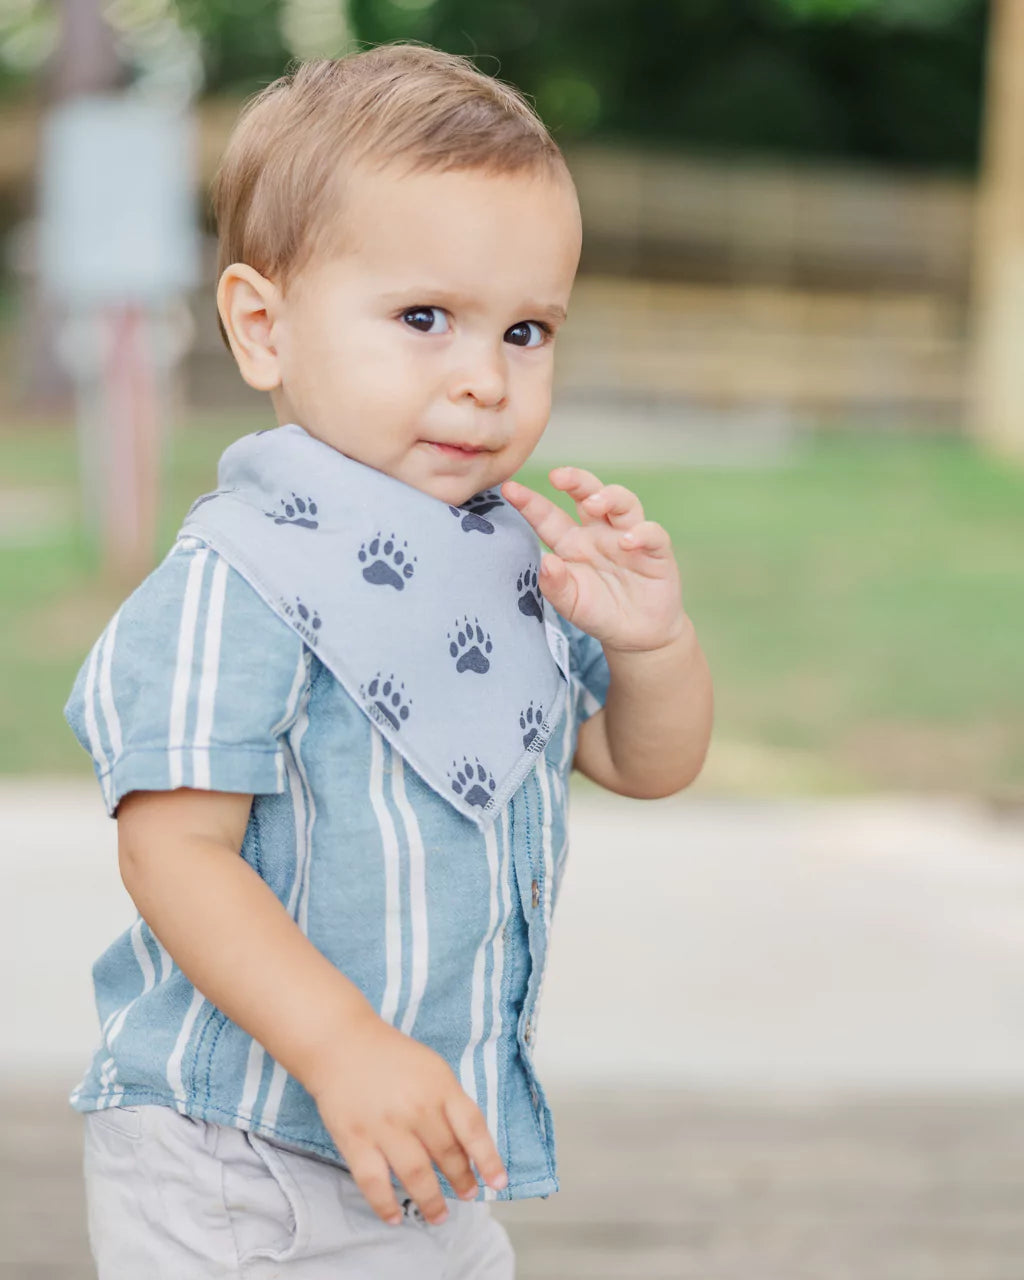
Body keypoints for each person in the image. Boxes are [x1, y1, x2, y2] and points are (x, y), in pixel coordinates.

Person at [63, 40, 714, 1279]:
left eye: (526, 330)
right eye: (425, 319)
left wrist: (654, 643)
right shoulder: (239, 578)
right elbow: (171, 845)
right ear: (263, 325)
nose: (483, 379)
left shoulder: (505, 559)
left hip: (426, 1134)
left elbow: (642, 759)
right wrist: (341, 1044)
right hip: (239, 1156)